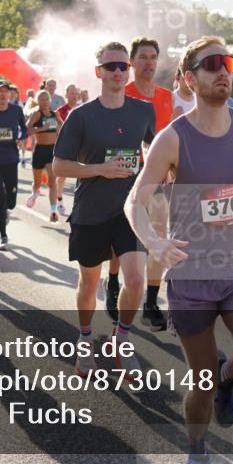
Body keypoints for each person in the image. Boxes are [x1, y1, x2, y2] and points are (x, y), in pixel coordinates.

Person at [125, 36, 233, 464]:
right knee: (199, 383)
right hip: (192, 275)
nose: (223, 70)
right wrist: (153, 241)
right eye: (211, 64)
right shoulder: (173, 138)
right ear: (188, 78)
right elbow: (135, 200)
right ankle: (197, 452)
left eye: (228, 62)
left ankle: (228, 377)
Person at [51, 41, 156, 379]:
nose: (117, 72)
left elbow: (152, 151)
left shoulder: (143, 111)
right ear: (99, 72)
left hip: (129, 210)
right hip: (91, 211)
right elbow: (59, 166)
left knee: (137, 279)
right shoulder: (81, 116)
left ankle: (121, 339)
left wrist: (161, 176)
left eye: (122, 66)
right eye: (110, 67)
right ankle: (84, 339)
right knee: (88, 285)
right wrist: (100, 169)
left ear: (129, 70)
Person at [122, 37, 175, 331]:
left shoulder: (166, 96)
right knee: (122, 238)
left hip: (153, 177)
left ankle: (151, 302)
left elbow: (167, 137)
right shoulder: (123, 92)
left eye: (153, 57)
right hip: (121, 174)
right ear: (132, 62)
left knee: (158, 228)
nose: (149, 62)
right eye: (142, 57)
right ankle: (115, 280)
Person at [0, 80, 29, 250]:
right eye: (0, 91)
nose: (3, 94)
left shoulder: (16, 110)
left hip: (11, 159)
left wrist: (21, 137)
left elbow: (24, 129)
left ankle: (7, 210)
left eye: (6, 91)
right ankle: (3, 236)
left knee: (10, 201)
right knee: (0, 198)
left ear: (10, 94)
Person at [25, 91, 63, 222]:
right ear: (38, 101)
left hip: (51, 151)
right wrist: (41, 128)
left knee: (52, 182)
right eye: (41, 99)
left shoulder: (54, 114)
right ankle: (35, 193)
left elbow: (62, 127)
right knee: (37, 183)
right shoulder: (36, 114)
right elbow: (27, 130)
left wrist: (60, 127)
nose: (44, 102)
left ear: (50, 100)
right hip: (39, 151)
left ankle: (53, 211)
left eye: (46, 99)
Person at [55, 84, 82, 216]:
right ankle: (59, 201)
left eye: (76, 93)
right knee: (62, 178)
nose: (74, 96)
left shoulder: (83, 109)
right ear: (66, 95)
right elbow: (58, 131)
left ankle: (80, 205)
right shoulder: (60, 111)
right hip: (66, 148)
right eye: (72, 93)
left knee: (83, 176)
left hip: (81, 148)